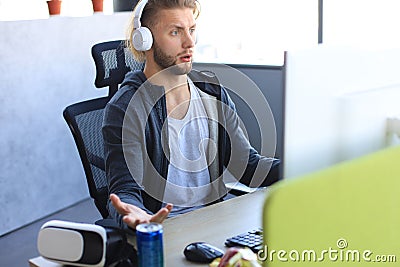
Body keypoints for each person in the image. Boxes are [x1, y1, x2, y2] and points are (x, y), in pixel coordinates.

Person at [102, 0, 280, 232]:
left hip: (214, 223)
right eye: (175, 32)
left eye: (192, 30)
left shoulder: (212, 92)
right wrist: (136, 216)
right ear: (144, 40)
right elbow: (125, 190)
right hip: (163, 229)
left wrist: (304, 166)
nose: (189, 43)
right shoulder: (126, 108)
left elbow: (247, 165)